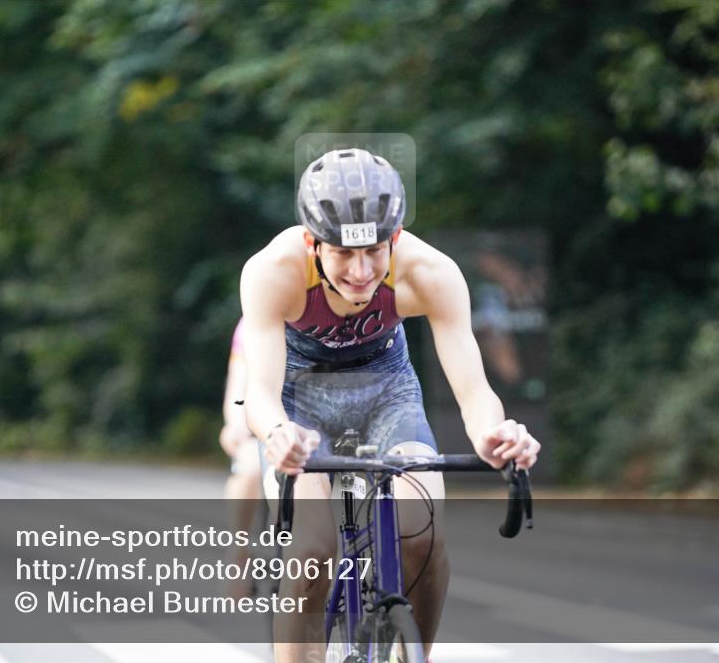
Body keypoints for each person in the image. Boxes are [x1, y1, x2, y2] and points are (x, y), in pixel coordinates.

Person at [240, 148, 541, 662]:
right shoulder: (273, 271)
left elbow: (474, 393)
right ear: (312, 242)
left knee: (423, 532)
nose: (360, 272)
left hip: (387, 391)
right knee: (313, 548)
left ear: (395, 238)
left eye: (375, 251)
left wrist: (496, 435)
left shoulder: (430, 273)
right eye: (341, 254)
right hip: (300, 402)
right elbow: (261, 393)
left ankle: (415, 653)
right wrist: (277, 434)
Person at [218, 316, 263, 598]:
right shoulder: (250, 325)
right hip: (259, 421)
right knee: (250, 466)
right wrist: (236, 425)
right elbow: (238, 388)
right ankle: (239, 553)